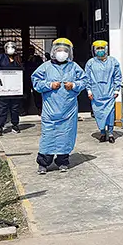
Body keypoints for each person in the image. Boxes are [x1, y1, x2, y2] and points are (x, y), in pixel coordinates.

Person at [31, 38, 88, 174]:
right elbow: (36, 82)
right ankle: (44, 163)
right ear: (53, 51)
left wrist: (73, 85)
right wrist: (49, 85)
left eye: (65, 51)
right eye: (59, 50)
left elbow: (84, 80)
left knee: (66, 135)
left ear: (69, 53)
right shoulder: (45, 67)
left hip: (68, 109)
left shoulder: (74, 67)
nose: (61, 53)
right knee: (48, 135)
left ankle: (63, 161)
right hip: (51, 109)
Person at [85, 40, 123, 143]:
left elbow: (117, 76)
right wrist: (89, 90)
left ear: (106, 49)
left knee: (110, 113)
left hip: (109, 91)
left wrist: (116, 90)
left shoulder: (113, 62)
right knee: (99, 114)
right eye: (98, 49)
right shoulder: (90, 63)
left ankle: (110, 133)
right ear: (94, 50)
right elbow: (87, 78)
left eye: (102, 48)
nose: (100, 51)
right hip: (96, 92)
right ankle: (102, 132)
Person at [0, 41, 23, 134]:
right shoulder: (0, 58)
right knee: (2, 108)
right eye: (9, 47)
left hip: (15, 88)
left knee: (15, 108)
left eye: (13, 47)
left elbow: (21, 70)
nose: (11, 49)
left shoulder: (17, 59)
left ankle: (15, 125)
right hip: (3, 88)